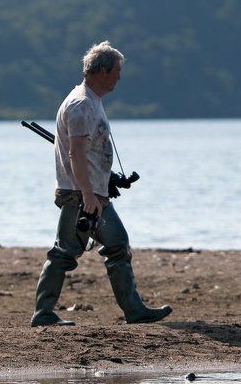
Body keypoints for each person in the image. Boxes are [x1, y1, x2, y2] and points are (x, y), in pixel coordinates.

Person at [31, 40, 172, 327]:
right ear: (104, 70)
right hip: (79, 195)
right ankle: (43, 313)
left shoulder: (92, 101)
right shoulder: (81, 104)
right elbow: (76, 153)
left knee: (117, 244)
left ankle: (134, 310)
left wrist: (107, 180)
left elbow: (90, 153)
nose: (120, 77)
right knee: (65, 251)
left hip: (92, 192)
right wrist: (87, 195)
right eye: (117, 71)